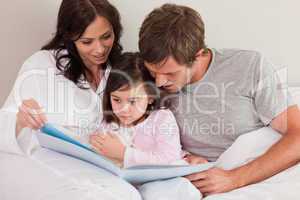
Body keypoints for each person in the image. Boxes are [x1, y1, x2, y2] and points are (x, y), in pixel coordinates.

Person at [138, 3, 300, 200]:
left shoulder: (249, 66)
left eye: (170, 73)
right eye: (154, 72)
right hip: (192, 177)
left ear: (199, 55)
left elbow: (297, 136)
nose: (159, 82)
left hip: (247, 174)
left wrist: (234, 179)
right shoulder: (143, 79)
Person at [0, 1, 141, 200]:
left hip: (98, 169)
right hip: (41, 165)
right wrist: (20, 121)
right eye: (87, 41)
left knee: (128, 195)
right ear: (69, 38)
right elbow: (4, 128)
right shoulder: (42, 65)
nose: (99, 49)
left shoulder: (122, 70)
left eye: (106, 37)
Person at [89, 52, 202, 199]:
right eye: (116, 100)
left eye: (133, 101)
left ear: (150, 97)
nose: (124, 109)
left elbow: (169, 159)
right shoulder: (109, 122)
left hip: (160, 179)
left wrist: (124, 153)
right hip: (125, 183)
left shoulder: (161, 119)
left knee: (174, 190)